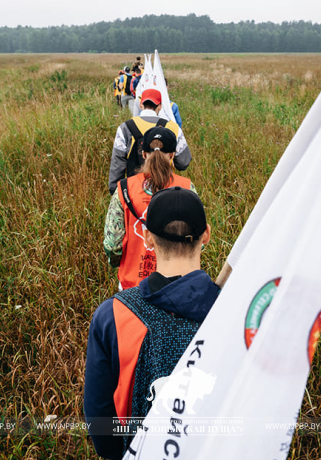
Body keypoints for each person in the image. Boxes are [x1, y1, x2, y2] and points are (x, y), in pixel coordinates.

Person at [85, 186, 219, 460]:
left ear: (147, 237)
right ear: (206, 234)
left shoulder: (112, 315)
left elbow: (100, 425)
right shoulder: (234, 315)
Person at [104, 126, 196, 290]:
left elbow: (112, 245)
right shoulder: (187, 188)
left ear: (144, 154)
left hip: (132, 286)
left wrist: (119, 263)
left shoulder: (124, 189)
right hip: (175, 285)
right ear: (172, 155)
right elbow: (198, 242)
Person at [108, 89, 191, 195]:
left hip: (134, 192)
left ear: (141, 105)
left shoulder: (125, 128)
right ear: (160, 106)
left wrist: (116, 192)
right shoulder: (173, 128)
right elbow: (184, 163)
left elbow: (117, 164)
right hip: (167, 190)